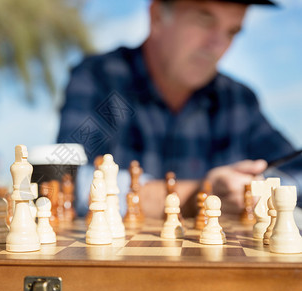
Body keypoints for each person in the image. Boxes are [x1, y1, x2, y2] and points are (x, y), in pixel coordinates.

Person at [57, 0, 302, 218]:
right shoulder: (105, 83)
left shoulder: (238, 101)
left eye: (231, 31)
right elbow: (62, 181)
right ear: (157, 17)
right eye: (204, 20)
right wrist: (198, 196)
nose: (217, 44)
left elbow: (296, 174)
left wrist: (252, 189)